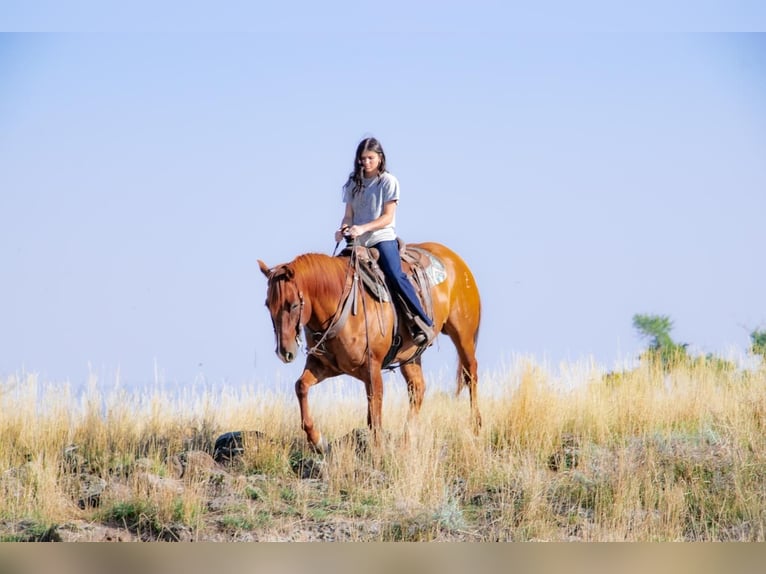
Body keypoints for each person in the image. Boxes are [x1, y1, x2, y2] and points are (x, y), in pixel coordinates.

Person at [334, 137, 434, 345]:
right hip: (357, 241)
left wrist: (363, 227)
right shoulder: (353, 183)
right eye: (363, 159)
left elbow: (387, 217)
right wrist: (343, 227)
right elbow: (348, 215)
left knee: (396, 276)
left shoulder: (388, 181)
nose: (366, 162)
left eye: (370, 158)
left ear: (380, 158)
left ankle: (422, 322)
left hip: (381, 238)